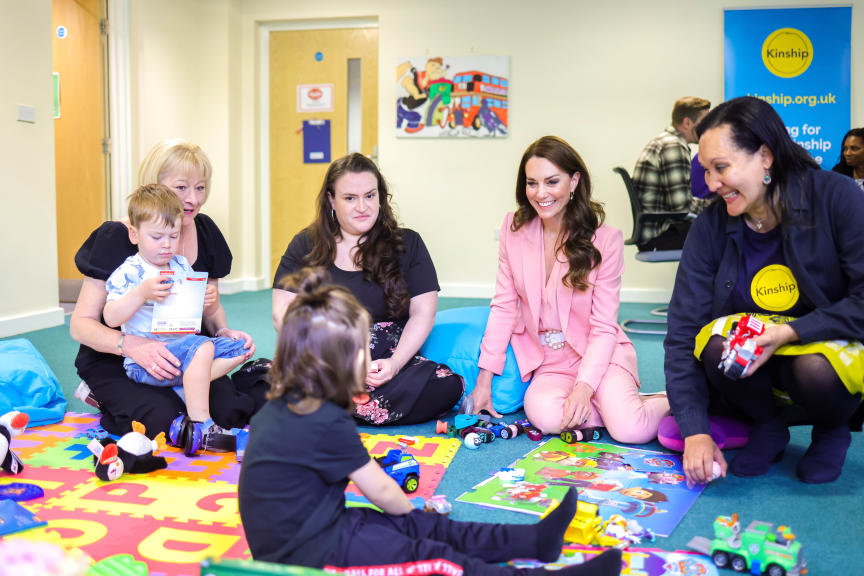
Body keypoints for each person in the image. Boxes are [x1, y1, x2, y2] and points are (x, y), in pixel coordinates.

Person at [239, 268, 622, 575]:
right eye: (361, 350)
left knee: (419, 529)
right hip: (308, 556)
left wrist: (411, 521)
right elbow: (384, 492)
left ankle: (534, 540)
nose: (370, 358)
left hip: (317, 530)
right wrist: (412, 521)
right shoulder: (324, 420)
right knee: (432, 556)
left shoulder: (289, 404)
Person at [664, 96, 864, 486]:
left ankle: (832, 429)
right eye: (705, 171)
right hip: (756, 370)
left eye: (721, 168)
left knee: (811, 366)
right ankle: (767, 424)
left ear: (766, 157)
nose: (710, 184)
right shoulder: (711, 226)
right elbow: (683, 331)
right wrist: (695, 431)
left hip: (826, 354)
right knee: (715, 345)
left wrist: (790, 332)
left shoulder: (837, 197)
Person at [470, 136, 670, 443]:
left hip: (597, 352)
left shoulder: (605, 240)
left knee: (632, 430)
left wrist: (584, 387)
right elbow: (504, 307)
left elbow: (604, 327)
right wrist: (484, 379)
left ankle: (667, 401)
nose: (540, 193)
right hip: (549, 361)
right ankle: (618, 407)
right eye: (532, 183)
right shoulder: (514, 229)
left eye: (552, 182)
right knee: (546, 417)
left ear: (574, 180)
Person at [71, 139, 264, 438]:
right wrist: (133, 345)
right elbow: (81, 325)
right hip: (121, 355)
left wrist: (224, 329)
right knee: (162, 421)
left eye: (200, 188)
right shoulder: (116, 237)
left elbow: (211, 310)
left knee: (230, 412)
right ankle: (102, 397)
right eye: (181, 187)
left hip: (184, 349)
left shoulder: (206, 231)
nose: (193, 199)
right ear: (154, 187)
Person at [271, 153, 463, 425]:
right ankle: (354, 406)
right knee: (258, 383)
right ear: (331, 200)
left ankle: (327, 408)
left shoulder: (408, 243)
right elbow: (283, 314)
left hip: (387, 361)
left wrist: (395, 364)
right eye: (350, 198)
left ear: (381, 197)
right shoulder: (306, 244)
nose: (362, 207)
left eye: (370, 196)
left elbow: (423, 313)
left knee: (446, 385)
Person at [103, 184, 249, 448]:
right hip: (148, 362)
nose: (167, 245)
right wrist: (141, 294)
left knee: (241, 348)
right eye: (157, 237)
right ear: (134, 235)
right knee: (202, 346)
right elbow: (111, 317)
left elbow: (192, 310)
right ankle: (203, 425)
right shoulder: (130, 271)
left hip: (184, 351)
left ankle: (189, 379)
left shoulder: (180, 264)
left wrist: (207, 302)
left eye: (173, 235)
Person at [632, 97, 711, 250]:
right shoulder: (673, 146)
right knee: (726, 232)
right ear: (688, 122)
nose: (708, 128)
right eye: (705, 122)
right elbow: (681, 206)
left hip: (653, 232)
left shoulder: (664, 141)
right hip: (660, 235)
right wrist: (716, 205)